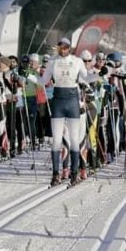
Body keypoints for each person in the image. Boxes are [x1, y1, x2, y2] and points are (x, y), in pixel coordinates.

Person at [37, 37, 97, 187]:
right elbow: (43, 81)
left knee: (75, 140)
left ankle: (74, 173)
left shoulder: (77, 61)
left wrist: (101, 74)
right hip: (58, 101)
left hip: (72, 103)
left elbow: (88, 78)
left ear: (69, 48)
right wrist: (29, 77)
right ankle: (56, 174)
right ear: (58, 48)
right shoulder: (53, 62)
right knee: (57, 140)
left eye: (66, 47)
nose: (63, 49)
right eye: (60, 47)